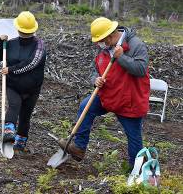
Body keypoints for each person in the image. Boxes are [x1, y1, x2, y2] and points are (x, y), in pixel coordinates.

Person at [58, 17, 150, 168]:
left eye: (101, 40)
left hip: (129, 101)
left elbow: (141, 70)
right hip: (108, 96)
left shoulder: (135, 45)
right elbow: (95, 70)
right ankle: (79, 147)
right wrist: (96, 79)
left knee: (134, 138)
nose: (98, 44)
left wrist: (121, 58)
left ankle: (137, 170)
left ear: (110, 35)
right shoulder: (105, 47)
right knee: (85, 106)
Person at [0, 11, 46, 152]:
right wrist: (1, 43)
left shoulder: (39, 45)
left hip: (32, 88)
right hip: (13, 86)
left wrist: (11, 69)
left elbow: (32, 63)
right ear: (34, 28)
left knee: (25, 116)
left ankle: (20, 143)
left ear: (18, 27)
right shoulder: (10, 43)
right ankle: (9, 134)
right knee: (14, 106)